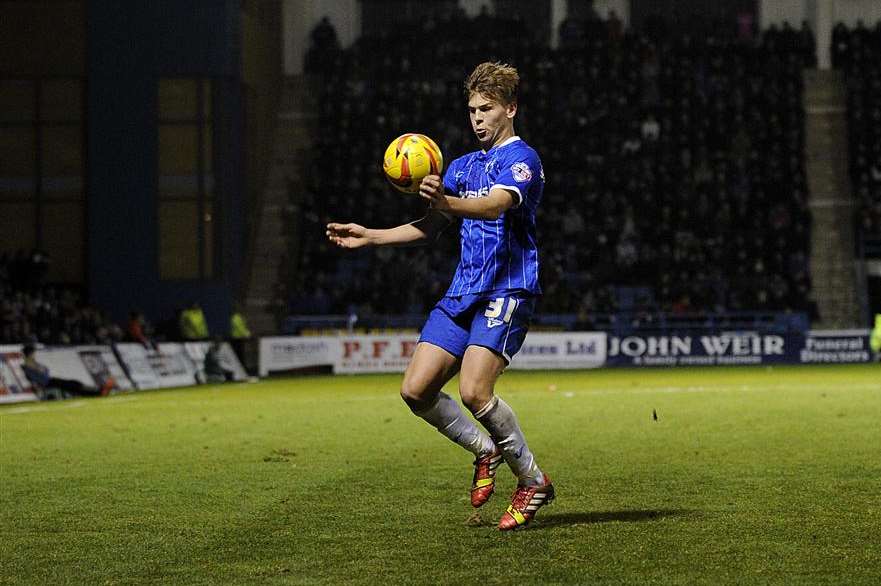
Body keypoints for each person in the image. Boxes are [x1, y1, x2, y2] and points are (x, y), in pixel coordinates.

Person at [327, 62, 554, 530]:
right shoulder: (461, 166)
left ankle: (532, 481)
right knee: (415, 390)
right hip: (462, 291)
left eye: (486, 109)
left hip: (506, 289)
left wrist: (445, 202)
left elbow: (495, 205)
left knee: (474, 391)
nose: (477, 118)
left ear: (510, 108)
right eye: (472, 109)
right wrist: (370, 235)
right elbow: (431, 227)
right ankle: (483, 450)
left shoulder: (523, 160)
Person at [21, 344, 113, 399]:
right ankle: (97, 392)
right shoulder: (27, 367)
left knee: (74, 383)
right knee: (72, 386)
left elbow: (46, 371)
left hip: (50, 381)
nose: (34, 355)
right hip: (47, 383)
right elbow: (41, 376)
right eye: (33, 353)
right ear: (30, 354)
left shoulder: (34, 364)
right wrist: (39, 370)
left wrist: (40, 369)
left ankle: (97, 390)